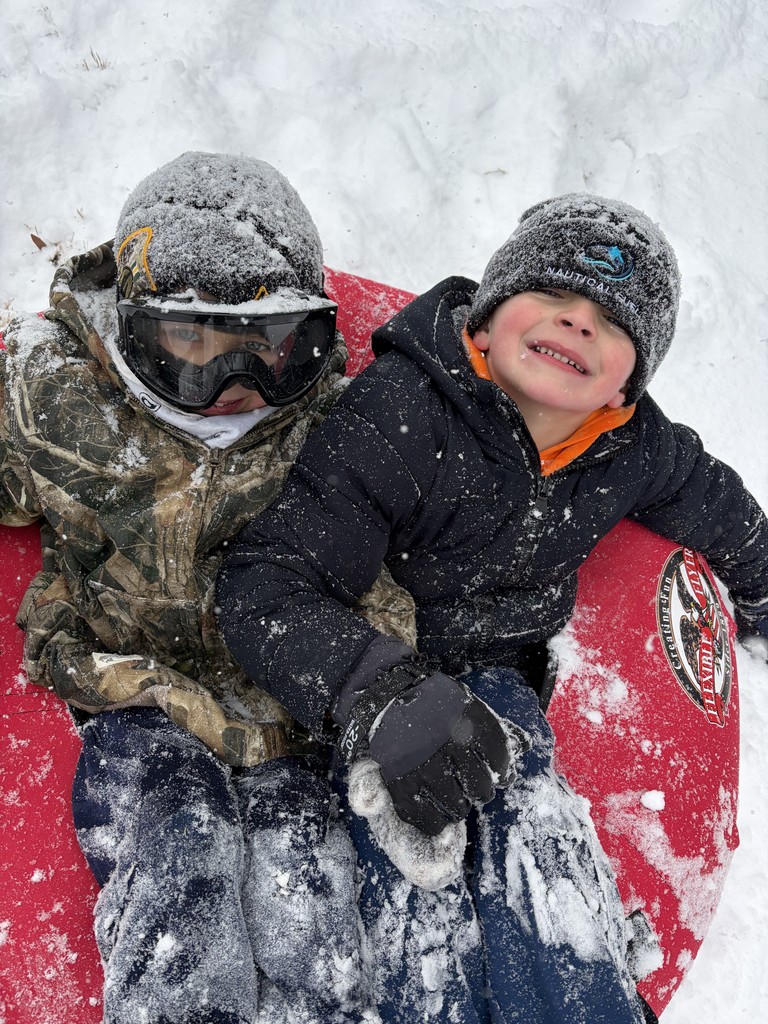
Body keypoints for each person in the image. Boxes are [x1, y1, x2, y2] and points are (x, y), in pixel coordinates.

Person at [216, 193, 768, 1024]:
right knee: (418, 876)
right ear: (487, 313)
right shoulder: (403, 415)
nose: (577, 324)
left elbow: (718, 507)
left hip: (503, 684)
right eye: (552, 297)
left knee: (539, 843)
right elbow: (266, 582)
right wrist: (374, 691)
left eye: (612, 322)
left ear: (633, 378)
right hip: (384, 684)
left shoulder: (631, 448)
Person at [0, 151, 417, 1024]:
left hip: (283, 698)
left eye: (267, 349)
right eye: (194, 344)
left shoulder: (331, 421)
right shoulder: (56, 399)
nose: (236, 387)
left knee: (308, 883)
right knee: (178, 845)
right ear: (134, 327)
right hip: (128, 682)